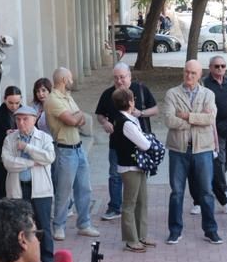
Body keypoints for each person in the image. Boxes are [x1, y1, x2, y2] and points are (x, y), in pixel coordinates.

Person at [161, 59, 224, 246]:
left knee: (206, 192)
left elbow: (210, 118)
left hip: (202, 150)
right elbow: (169, 120)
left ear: (200, 75)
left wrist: (187, 116)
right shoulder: (172, 93)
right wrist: (197, 119)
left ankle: (211, 230)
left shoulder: (208, 94)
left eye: (193, 73)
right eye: (186, 71)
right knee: (176, 192)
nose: (189, 75)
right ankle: (175, 231)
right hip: (178, 150)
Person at [94, 63, 157, 223]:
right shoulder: (108, 94)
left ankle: (136, 206)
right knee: (115, 175)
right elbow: (100, 114)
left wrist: (141, 113)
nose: (119, 81)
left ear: (129, 76)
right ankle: (115, 207)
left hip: (139, 144)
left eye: (122, 77)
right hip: (117, 144)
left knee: (139, 175)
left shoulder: (141, 89)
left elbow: (155, 109)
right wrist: (105, 122)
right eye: (116, 77)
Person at [1, 104, 58, 262]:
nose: (21, 123)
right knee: (17, 226)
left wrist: (27, 148)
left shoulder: (45, 138)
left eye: (25, 119)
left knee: (43, 225)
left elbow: (49, 157)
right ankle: (17, 259)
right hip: (18, 188)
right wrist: (31, 163)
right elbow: (8, 163)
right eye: (18, 119)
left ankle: (48, 260)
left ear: (34, 120)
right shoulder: (10, 139)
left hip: (40, 189)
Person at [45, 68, 97, 241]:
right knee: (64, 191)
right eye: (70, 79)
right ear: (63, 80)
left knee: (84, 188)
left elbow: (80, 121)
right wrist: (77, 116)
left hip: (78, 148)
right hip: (64, 150)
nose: (72, 81)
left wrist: (76, 117)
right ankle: (58, 226)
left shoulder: (67, 96)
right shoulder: (53, 99)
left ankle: (84, 224)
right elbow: (74, 120)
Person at [109, 87, 155, 252]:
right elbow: (145, 144)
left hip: (136, 166)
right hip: (130, 167)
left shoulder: (125, 119)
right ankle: (131, 240)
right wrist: (148, 141)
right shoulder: (126, 122)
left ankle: (141, 235)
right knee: (130, 204)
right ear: (130, 102)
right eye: (133, 99)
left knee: (142, 200)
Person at [203, 56, 227, 215]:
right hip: (215, 126)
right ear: (210, 67)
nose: (220, 69)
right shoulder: (205, 83)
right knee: (220, 159)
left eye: (223, 66)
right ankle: (223, 188)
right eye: (216, 66)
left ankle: (215, 180)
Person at [0, 86, 22, 201]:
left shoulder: (26, 114)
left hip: (23, 155)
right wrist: (5, 134)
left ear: (21, 100)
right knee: (3, 192)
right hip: (4, 158)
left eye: (17, 103)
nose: (14, 106)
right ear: (4, 99)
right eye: (11, 103)